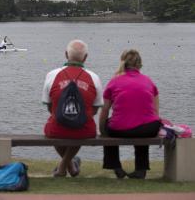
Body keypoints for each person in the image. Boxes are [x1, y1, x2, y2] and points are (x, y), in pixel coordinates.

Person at [42, 39, 103, 177]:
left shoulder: (52, 75)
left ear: (66, 54)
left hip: (56, 129)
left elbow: (50, 106)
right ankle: (70, 166)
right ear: (85, 57)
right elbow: (95, 109)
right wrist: (78, 117)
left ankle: (63, 166)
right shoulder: (94, 77)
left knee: (55, 123)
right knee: (80, 126)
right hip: (85, 130)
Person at [99, 49, 161, 179]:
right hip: (148, 129)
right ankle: (141, 169)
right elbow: (155, 112)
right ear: (139, 64)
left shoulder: (114, 81)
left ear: (123, 62)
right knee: (144, 122)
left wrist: (102, 130)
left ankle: (116, 166)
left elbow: (104, 110)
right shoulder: (149, 81)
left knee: (108, 125)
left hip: (120, 129)